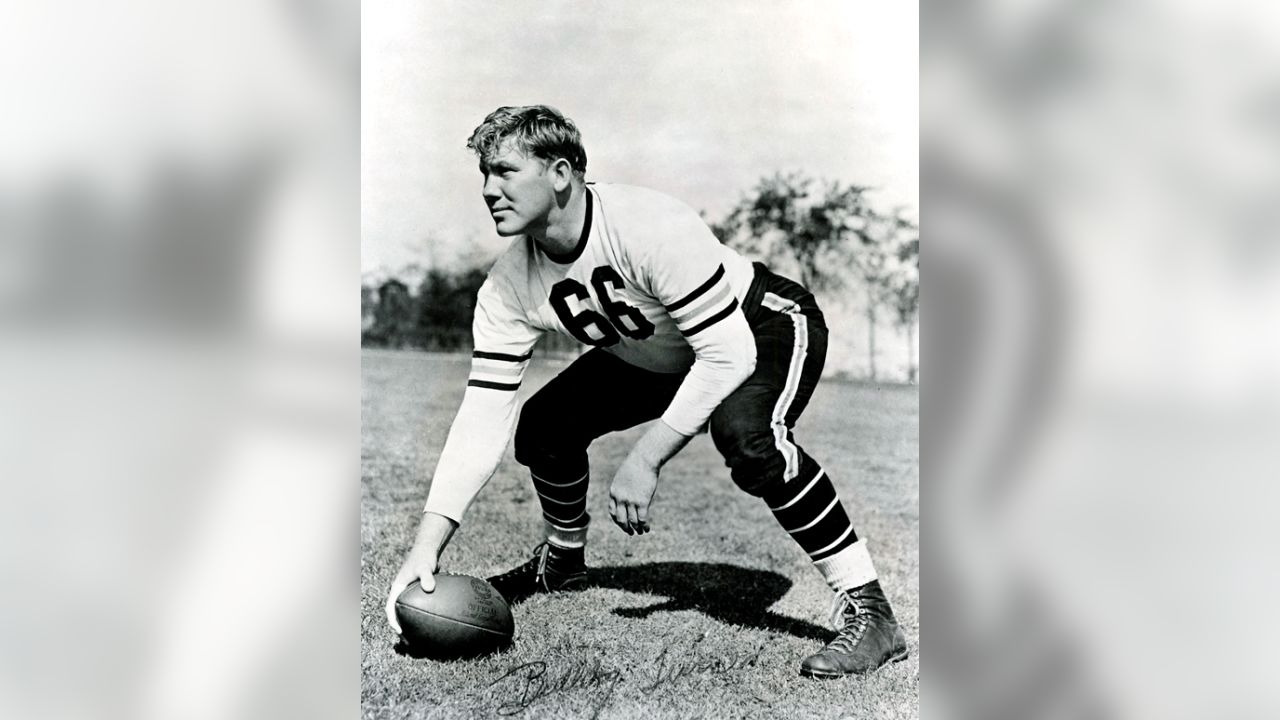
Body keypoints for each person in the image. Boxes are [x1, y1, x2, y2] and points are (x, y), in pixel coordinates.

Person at [384, 105, 907, 678]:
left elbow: (729, 352)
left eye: (505, 171)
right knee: (544, 425)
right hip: (660, 352)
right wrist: (426, 547)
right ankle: (562, 561)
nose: (489, 190)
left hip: (758, 322)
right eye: (483, 175)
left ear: (560, 173)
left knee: (749, 438)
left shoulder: (645, 223)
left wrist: (647, 456)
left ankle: (872, 610)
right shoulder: (508, 285)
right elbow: (481, 419)